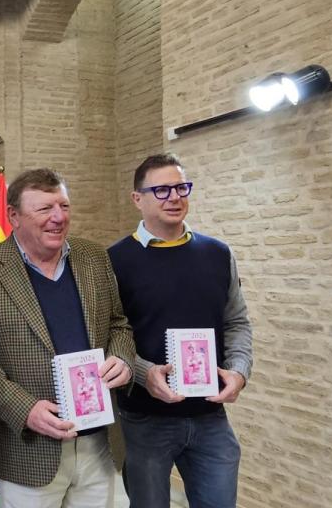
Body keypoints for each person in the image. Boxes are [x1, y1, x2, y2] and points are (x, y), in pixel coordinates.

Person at [0, 168, 135, 508]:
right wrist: (26, 410)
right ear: (14, 216)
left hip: (98, 443)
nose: (58, 218)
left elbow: (118, 324)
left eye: (64, 206)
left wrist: (123, 359)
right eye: (44, 209)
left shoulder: (94, 257)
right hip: (28, 451)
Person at [108, 153, 253, 508]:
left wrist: (238, 371)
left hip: (210, 417)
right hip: (145, 419)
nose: (174, 197)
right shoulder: (114, 260)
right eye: (161, 190)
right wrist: (144, 374)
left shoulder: (218, 253)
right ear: (137, 199)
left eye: (181, 187)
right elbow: (107, 335)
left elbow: (236, 322)